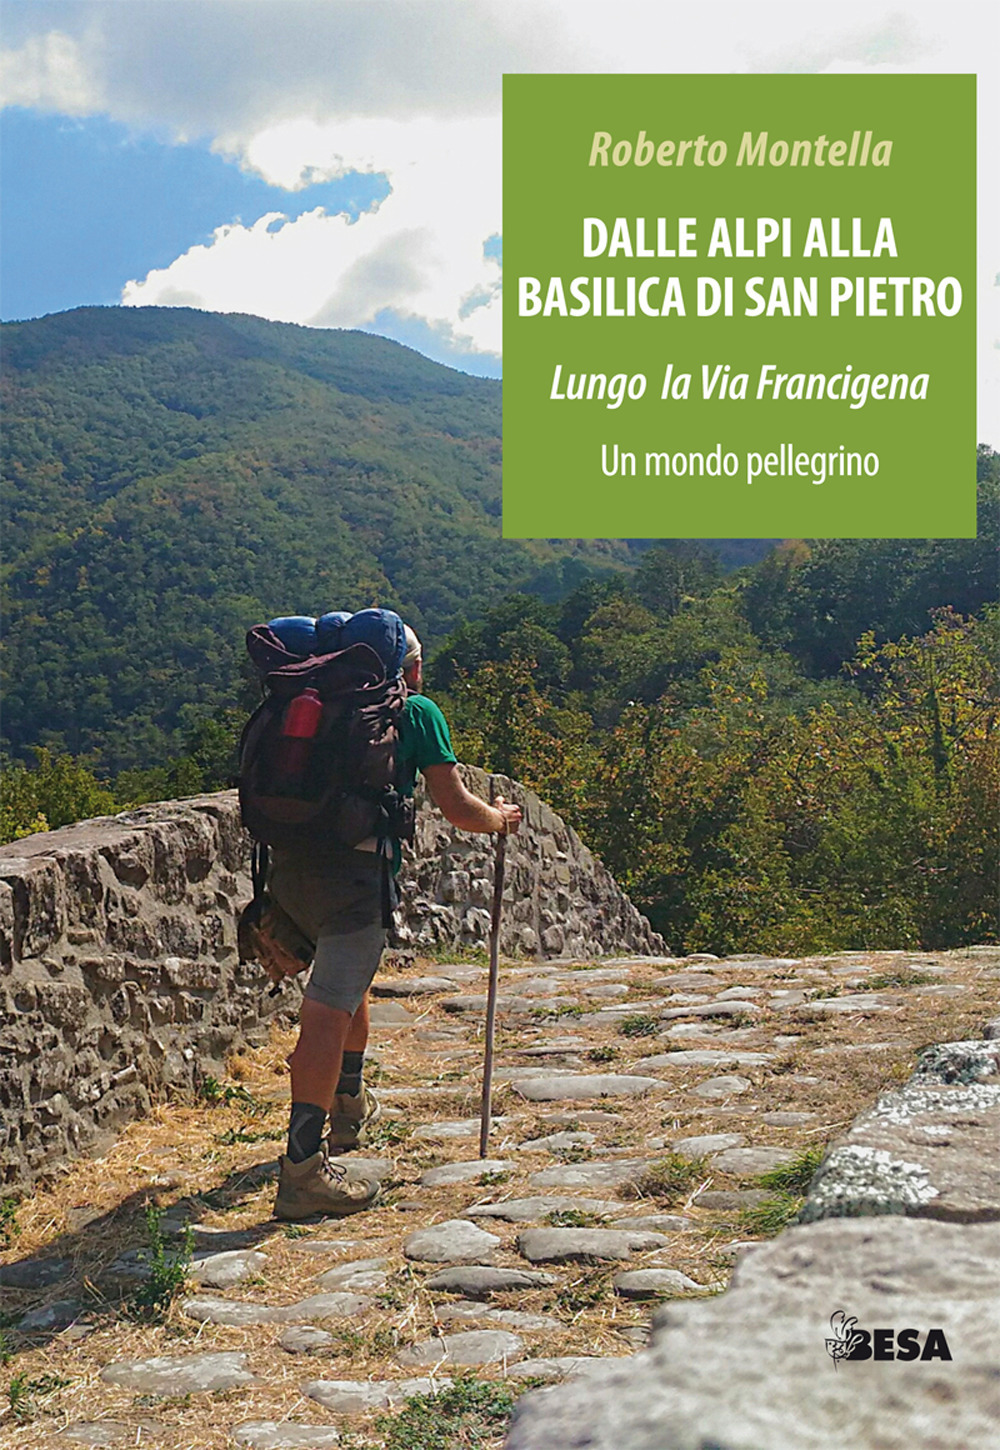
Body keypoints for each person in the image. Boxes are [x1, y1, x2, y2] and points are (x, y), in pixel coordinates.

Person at [272, 623, 522, 1220]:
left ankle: (348, 1103)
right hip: (355, 882)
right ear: (409, 668)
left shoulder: (303, 701)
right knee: (327, 1010)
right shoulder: (414, 711)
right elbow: (456, 807)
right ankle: (303, 1173)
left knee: (346, 988)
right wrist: (498, 819)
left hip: (287, 874)